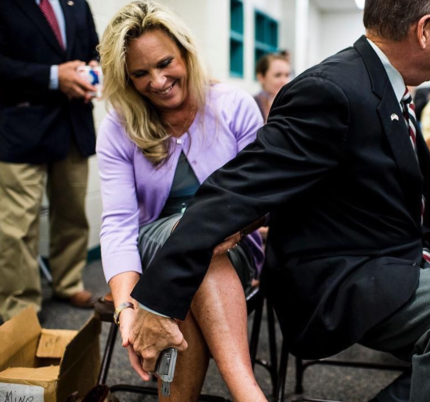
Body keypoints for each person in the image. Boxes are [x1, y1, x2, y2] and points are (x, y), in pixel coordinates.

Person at [128, 1, 430, 401]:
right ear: (423, 31)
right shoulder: (331, 90)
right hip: (342, 275)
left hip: (398, 255)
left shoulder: (395, 89)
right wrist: (156, 297)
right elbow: (237, 189)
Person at [96, 2, 267, 401]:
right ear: (126, 78)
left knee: (190, 259)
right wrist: (126, 312)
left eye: (165, 63)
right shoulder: (119, 126)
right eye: (140, 74)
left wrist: (227, 230)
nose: (157, 81)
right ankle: (247, 392)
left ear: (186, 51)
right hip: (154, 243)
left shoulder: (234, 105)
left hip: (235, 245)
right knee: (189, 236)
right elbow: (119, 223)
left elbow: (261, 197)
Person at [0, 0, 99, 322]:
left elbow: (93, 48)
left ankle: (68, 283)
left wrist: (94, 70)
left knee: (72, 212)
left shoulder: (76, 4)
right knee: (17, 226)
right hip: (19, 126)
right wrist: (54, 76)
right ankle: (19, 307)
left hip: (73, 123)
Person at [253, 53, 291, 122]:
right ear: (261, 77)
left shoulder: (291, 103)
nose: (284, 81)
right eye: (278, 75)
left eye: (287, 75)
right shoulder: (252, 105)